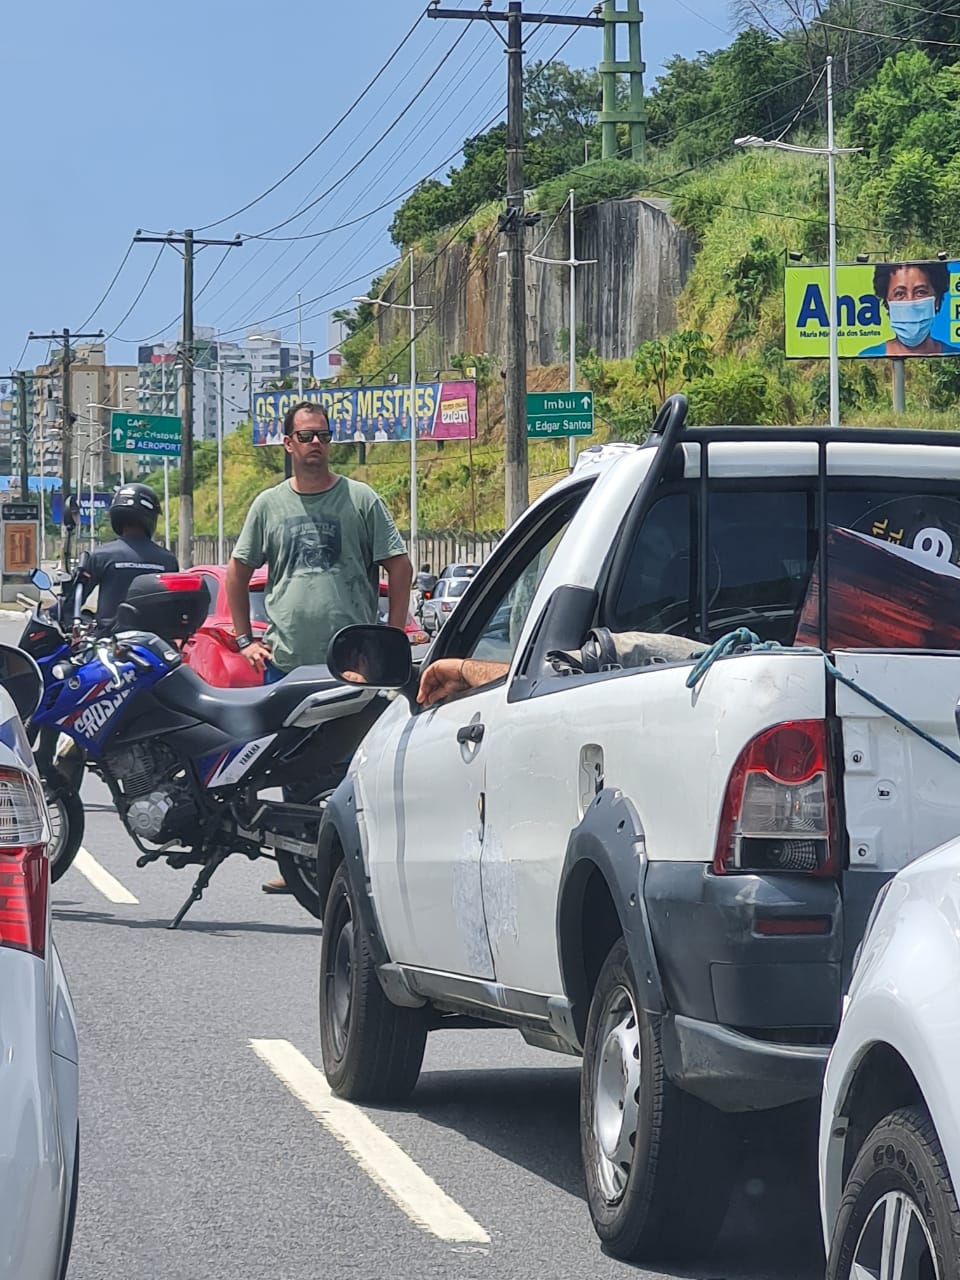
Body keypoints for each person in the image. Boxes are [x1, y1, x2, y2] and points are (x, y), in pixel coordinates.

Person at [225, 399, 413, 894]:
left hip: (352, 664)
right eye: (306, 436)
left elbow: (398, 565)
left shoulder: (360, 499)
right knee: (293, 767)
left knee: (351, 763)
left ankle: (353, 859)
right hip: (286, 661)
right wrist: (245, 640)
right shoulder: (268, 505)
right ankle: (297, 860)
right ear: (287, 443)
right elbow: (238, 572)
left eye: (324, 436)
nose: (316, 444)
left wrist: (389, 636)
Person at [69, 483, 179, 633]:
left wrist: (53, 613)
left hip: (109, 645)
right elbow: (173, 608)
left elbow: (73, 601)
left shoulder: (101, 555)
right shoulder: (168, 560)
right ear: (150, 518)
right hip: (156, 645)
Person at [859, 261, 960, 357]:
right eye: (900, 294)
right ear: (887, 302)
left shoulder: (955, 357)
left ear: (936, 299)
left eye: (920, 292)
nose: (910, 302)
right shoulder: (867, 358)